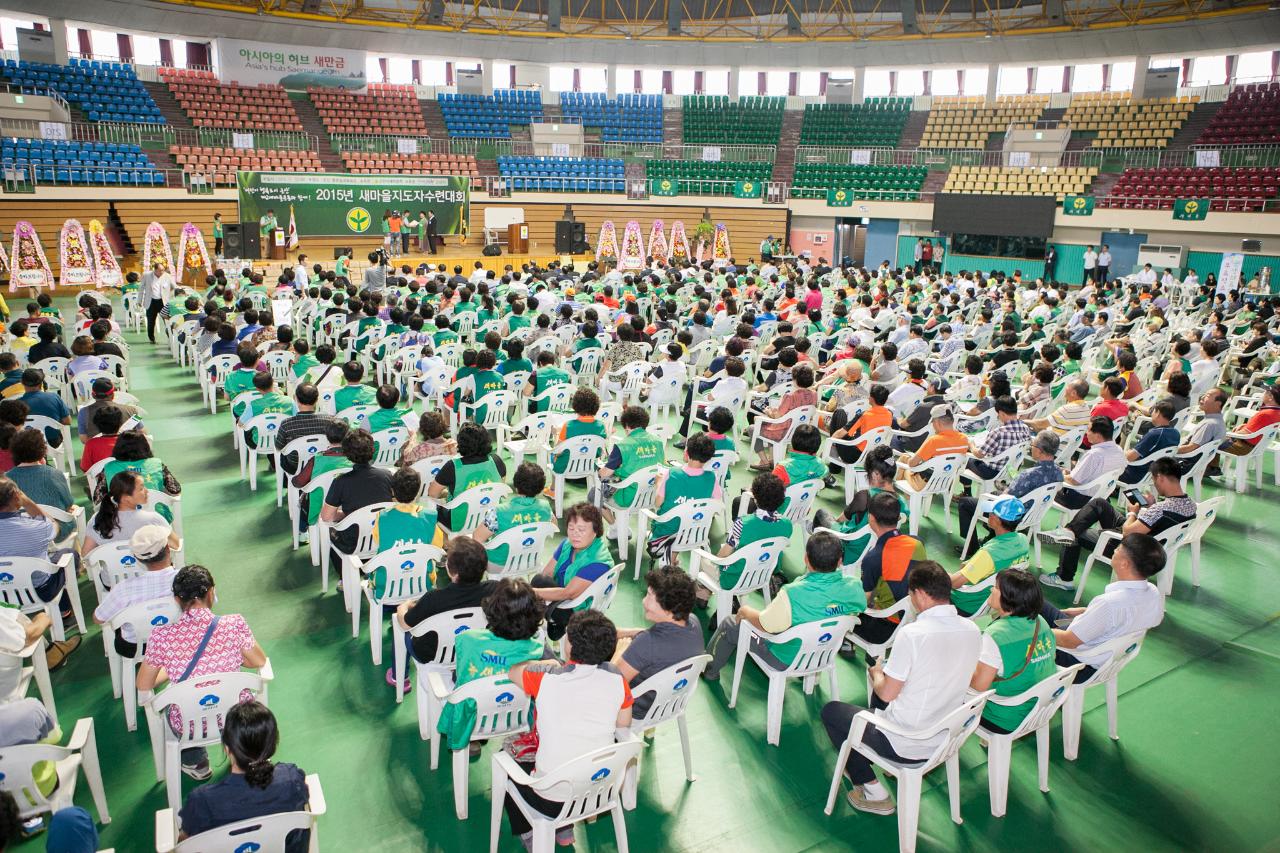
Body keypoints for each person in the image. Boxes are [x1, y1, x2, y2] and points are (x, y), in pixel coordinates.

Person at [821, 561, 981, 815]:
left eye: (910, 593)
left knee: (832, 712)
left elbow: (886, 693)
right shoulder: (973, 630)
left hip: (907, 742)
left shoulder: (913, 634)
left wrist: (876, 673)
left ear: (920, 594)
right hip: (946, 734)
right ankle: (878, 759)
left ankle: (873, 791)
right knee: (881, 697)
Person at [502, 611, 632, 849]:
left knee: (510, 759)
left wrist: (543, 663)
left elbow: (513, 672)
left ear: (569, 645)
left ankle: (530, 833)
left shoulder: (546, 677)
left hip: (549, 801)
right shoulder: (616, 677)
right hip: (600, 789)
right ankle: (564, 831)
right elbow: (623, 724)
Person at [137, 565, 268, 780]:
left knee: (179, 705)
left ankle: (195, 761)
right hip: (237, 717)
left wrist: (174, 668)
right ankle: (243, 751)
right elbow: (258, 660)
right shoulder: (233, 623)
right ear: (211, 593)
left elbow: (144, 684)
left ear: (177, 600)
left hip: (188, 724)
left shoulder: (161, 636)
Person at [702, 531, 864, 681]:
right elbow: (859, 608)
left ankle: (709, 670)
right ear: (840, 561)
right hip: (822, 653)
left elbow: (765, 626)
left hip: (784, 658)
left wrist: (745, 611)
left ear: (806, 559)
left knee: (730, 623)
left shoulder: (793, 593)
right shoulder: (854, 586)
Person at [1041, 457, 1194, 592]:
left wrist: (1133, 512)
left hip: (1132, 547)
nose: (1155, 485)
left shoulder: (1161, 509)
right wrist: (1149, 508)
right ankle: (1068, 530)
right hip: (1152, 542)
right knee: (1100, 503)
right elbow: (1157, 523)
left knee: (1077, 534)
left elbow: (1128, 532)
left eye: (1154, 480)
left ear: (1160, 478)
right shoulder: (1190, 505)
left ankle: (1064, 578)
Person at [432, 578, 546, 753]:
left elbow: (463, 671)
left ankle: (472, 740)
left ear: (492, 609)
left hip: (472, 717)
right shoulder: (537, 649)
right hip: (516, 716)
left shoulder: (469, 639)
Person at [178, 701, 309, 851]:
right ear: (272, 745)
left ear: (227, 749)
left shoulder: (202, 801)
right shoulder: (292, 780)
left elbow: (185, 843)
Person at [1041, 533, 1166, 682]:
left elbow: (1069, 641)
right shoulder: (1153, 592)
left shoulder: (1109, 603)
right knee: (1032, 601)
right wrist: (1088, 612)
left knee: (1019, 629)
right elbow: (1133, 617)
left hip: (1078, 663)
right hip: (1104, 656)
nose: (1115, 550)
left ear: (1125, 563)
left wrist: (1033, 632)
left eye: (1119, 548)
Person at [393, 536, 497, 690]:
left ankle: (401, 678)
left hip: (432, 654)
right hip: (475, 647)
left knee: (399, 626)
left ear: (452, 572)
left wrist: (403, 606)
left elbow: (405, 623)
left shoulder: (433, 598)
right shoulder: (494, 589)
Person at [969, 568, 1057, 734]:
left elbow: (978, 687)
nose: (991, 590)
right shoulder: (1040, 622)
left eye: (995, 587)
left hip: (1003, 715)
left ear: (1008, 598)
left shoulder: (997, 636)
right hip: (1040, 707)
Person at [614, 566, 705, 719]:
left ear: (668, 609)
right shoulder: (693, 622)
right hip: (669, 701)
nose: (643, 601)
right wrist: (633, 632)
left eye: (649, 596)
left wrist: (619, 651)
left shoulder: (647, 644)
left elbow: (611, 685)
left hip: (635, 710)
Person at [957, 429, 1063, 556]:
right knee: (995, 492)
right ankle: (992, 539)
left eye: (1033, 445)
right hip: (1033, 513)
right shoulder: (1058, 472)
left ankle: (971, 547)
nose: (1031, 448)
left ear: (1040, 452)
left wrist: (1007, 488)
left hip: (1010, 514)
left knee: (965, 503)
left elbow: (1004, 498)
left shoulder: (1028, 475)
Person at [92, 525, 178, 657]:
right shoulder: (187, 580)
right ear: (167, 548)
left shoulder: (123, 589)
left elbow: (98, 618)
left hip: (135, 647)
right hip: (177, 639)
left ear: (137, 558)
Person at [532, 502, 613, 640]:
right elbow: (547, 573)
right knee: (540, 580)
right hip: (565, 594)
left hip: (578, 609)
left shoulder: (597, 562)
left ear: (595, 532)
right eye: (571, 528)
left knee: (525, 599)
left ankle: (553, 624)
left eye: (581, 530)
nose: (575, 534)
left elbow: (568, 593)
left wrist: (529, 592)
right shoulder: (567, 544)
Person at [949, 496, 1029, 616]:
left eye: (992, 513)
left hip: (965, 603)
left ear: (997, 519)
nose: (989, 515)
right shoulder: (1023, 541)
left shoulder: (989, 554)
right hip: (993, 601)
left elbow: (954, 583)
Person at [320, 429, 394, 558]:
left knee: (328, 530)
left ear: (346, 453)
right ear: (372, 449)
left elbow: (327, 517)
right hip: (385, 536)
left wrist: (346, 514)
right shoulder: (387, 475)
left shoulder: (340, 482)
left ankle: (344, 576)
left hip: (353, 543)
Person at [427, 422, 507, 531]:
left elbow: (432, 493)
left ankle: (446, 542)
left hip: (460, 522)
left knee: (431, 506)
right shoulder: (496, 461)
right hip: (491, 518)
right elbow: (501, 489)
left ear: (461, 443)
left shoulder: (452, 467)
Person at [473, 462, 553, 567]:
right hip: (530, 559)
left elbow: (477, 538)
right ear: (541, 488)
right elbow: (553, 526)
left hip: (499, 563)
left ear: (516, 485)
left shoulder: (498, 511)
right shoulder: (545, 507)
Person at [83, 469, 177, 555]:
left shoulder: (97, 519)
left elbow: (86, 553)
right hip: (149, 570)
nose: (147, 491)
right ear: (126, 498)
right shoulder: (153, 519)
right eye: (141, 489)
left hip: (113, 573)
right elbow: (175, 545)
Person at [5, 428, 75, 541]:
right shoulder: (54, 473)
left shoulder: (5, 479)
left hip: (19, 534)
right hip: (54, 534)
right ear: (43, 450)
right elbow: (68, 503)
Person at [1055, 416, 1125, 511]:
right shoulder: (1119, 451)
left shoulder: (1094, 455)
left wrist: (1060, 474)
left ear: (1098, 436)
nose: (1086, 433)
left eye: (1088, 430)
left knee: (1045, 481)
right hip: (1102, 496)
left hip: (1078, 499)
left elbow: (1074, 481)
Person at [16, 369, 71, 448]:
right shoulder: (54, 397)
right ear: (41, 382)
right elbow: (67, 421)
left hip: (28, 444)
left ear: (21, 382)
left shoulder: (17, 404)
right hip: (53, 442)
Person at [1221, 384, 1280, 456]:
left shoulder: (1264, 414)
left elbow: (1245, 433)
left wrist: (1229, 435)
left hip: (1243, 447)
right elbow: (1260, 427)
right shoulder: (1276, 412)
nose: (1263, 394)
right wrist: (1244, 426)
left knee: (1212, 441)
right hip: (1256, 446)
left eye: (1265, 392)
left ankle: (1212, 466)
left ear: (1271, 397)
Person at [142, 261, 175, 344]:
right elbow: (141, 288)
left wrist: (182, 291)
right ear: (155, 270)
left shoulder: (167, 276)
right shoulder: (147, 275)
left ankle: (171, 338)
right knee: (151, 321)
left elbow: (174, 286)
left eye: (163, 270)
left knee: (167, 321)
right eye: (160, 270)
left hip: (163, 302)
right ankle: (151, 338)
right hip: (151, 302)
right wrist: (139, 301)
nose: (162, 272)